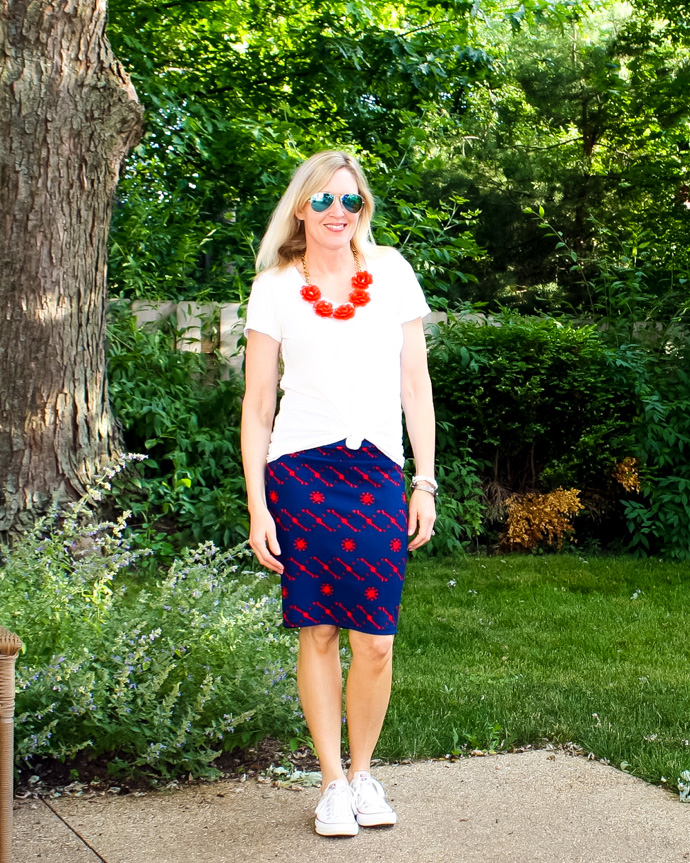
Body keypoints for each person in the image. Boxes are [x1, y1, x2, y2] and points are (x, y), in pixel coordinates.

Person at [241, 150, 436, 837]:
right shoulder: (275, 287)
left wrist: (425, 480)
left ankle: (363, 774)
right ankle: (330, 783)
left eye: (349, 201)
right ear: (301, 207)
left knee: (376, 638)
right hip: (300, 474)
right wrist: (258, 504)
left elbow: (416, 384)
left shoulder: (391, 274)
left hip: (378, 471)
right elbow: (258, 406)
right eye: (322, 200)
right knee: (319, 627)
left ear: (364, 210)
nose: (336, 213)